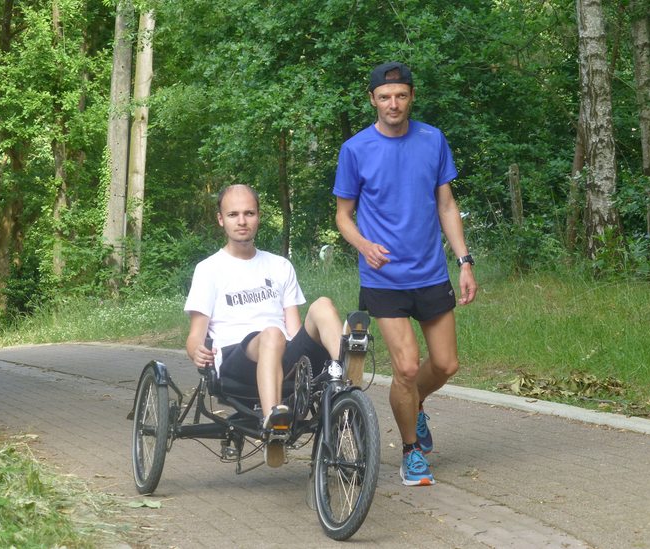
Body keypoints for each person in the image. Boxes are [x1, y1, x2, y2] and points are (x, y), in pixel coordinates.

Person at [333, 61, 477, 486]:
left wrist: (464, 261)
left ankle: (414, 407)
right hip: (384, 278)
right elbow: (343, 215)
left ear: (411, 96)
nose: (392, 103)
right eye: (384, 97)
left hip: (431, 272)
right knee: (408, 370)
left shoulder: (432, 140)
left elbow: (446, 206)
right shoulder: (355, 149)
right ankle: (412, 451)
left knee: (447, 364)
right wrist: (363, 244)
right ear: (372, 100)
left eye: (400, 95)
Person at [185, 184, 344, 468]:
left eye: (249, 213)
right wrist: (196, 350)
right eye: (233, 214)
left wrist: (309, 346)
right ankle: (274, 425)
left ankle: (343, 381)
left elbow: (293, 328)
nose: (242, 221)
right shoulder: (209, 269)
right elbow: (196, 333)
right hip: (237, 359)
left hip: (281, 355)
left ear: (258, 216)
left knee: (323, 305)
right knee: (270, 334)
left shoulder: (280, 266)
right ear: (221, 220)